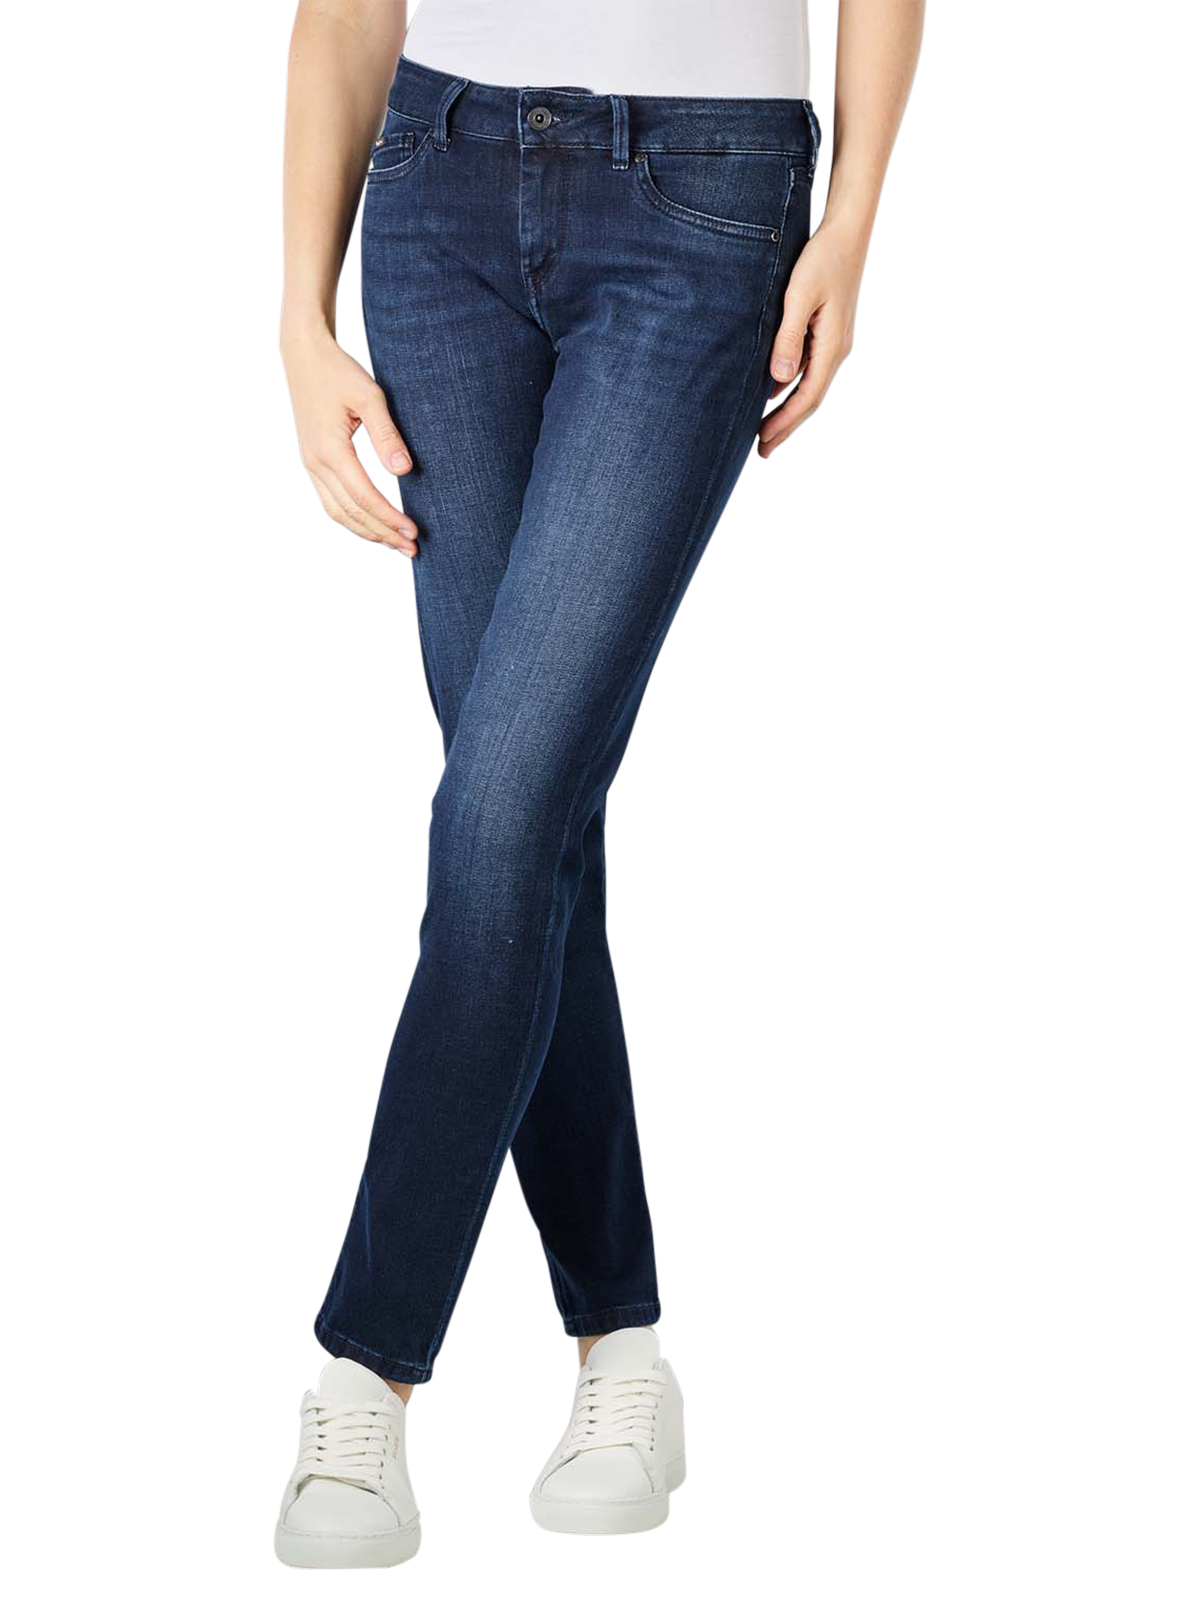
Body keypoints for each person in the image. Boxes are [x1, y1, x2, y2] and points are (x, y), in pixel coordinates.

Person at [276, 0, 924, 1569]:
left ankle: (369, 1367)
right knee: (528, 824)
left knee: (501, 810)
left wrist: (850, 224)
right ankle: (623, 1352)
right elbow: (347, 12)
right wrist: (298, 320)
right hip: (436, 187)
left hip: (703, 200)